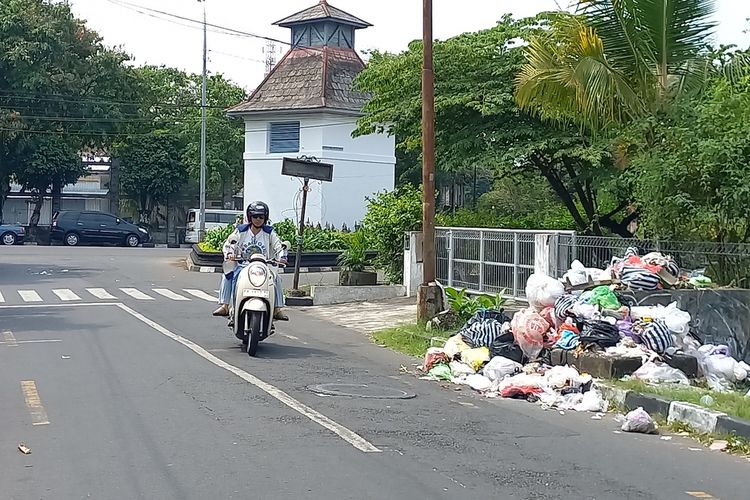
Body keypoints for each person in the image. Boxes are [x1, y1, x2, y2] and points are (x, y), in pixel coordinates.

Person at [212, 201, 288, 321]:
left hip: (264, 267)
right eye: (255, 216)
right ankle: (225, 306)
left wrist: (282, 257)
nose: (258, 219)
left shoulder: (269, 232)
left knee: (276, 278)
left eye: (261, 216)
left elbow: (279, 247)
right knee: (228, 275)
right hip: (243, 266)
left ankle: (277, 309)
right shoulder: (241, 231)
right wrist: (230, 253)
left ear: (265, 218)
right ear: (249, 217)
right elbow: (229, 244)